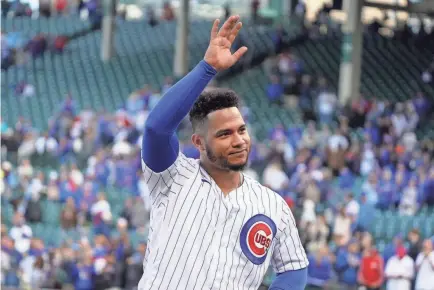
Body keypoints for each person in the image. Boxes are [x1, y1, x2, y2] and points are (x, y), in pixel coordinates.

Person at [139, 15, 308, 290]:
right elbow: (156, 130)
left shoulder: (272, 205)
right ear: (199, 143)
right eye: (224, 134)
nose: (239, 140)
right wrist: (207, 68)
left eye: (241, 130)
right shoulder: (173, 178)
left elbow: (294, 270)